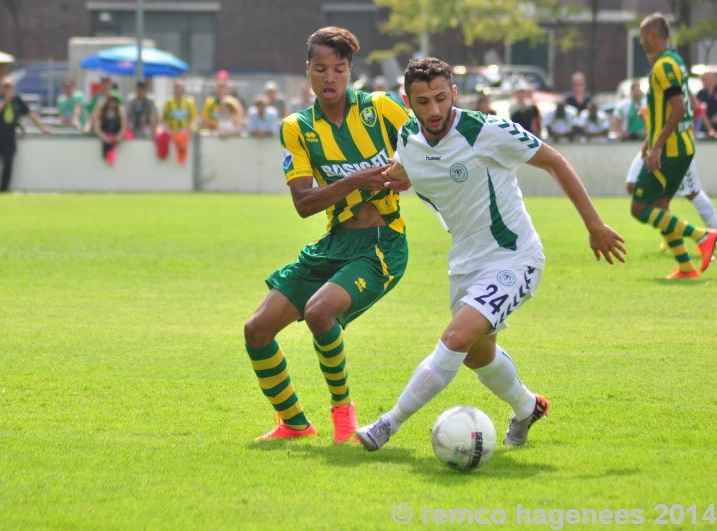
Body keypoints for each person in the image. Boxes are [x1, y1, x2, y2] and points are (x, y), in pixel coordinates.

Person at [355, 57, 626, 452]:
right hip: (465, 263)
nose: (434, 110)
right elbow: (408, 170)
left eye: (441, 99)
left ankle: (387, 424)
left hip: (515, 258)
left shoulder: (486, 131)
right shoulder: (408, 138)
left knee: (456, 338)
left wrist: (594, 225)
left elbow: (555, 161)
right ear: (407, 101)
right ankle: (527, 407)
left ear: (454, 94)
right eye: (423, 101)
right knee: (477, 357)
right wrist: (390, 180)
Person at [243, 26, 411, 443]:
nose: (330, 77)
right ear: (308, 72)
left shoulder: (381, 108)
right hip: (334, 242)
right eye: (321, 69)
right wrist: (356, 180)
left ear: (350, 71)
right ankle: (294, 423)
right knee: (257, 330)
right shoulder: (297, 127)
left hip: (381, 245)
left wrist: (411, 175)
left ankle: (343, 414)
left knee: (320, 313)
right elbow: (303, 204)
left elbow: (428, 153)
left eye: (338, 69)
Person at [630, 13, 717, 279]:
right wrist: (649, 142)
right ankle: (686, 267)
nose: (642, 41)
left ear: (653, 35)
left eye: (643, 36)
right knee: (661, 204)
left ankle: (703, 236)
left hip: (670, 149)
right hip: (678, 146)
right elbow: (667, 109)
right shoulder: (675, 61)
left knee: (640, 208)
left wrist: (656, 147)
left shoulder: (663, 67)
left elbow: (678, 108)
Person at [626, 154, 717, 238]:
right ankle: (675, 237)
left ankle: (705, 236)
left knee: (693, 195)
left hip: (676, 152)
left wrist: (657, 145)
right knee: (632, 186)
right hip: (654, 148)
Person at [0, 76, 50, 192]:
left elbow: (30, 114)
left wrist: (42, 128)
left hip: (9, 137)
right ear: (1, 88)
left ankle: (3, 189)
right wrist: (5, 100)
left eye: (10, 87)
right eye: (5, 87)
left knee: (8, 163)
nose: (7, 90)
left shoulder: (17, 100)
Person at [160, 78, 198, 164]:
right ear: (174, 89)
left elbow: (194, 119)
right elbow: (164, 119)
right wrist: (170, 131)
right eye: (178, 88)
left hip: (186, 137)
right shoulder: (168, 102)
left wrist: (187, 131)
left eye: (182, 89)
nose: (181, 91)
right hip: (172, 137)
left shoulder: (189, 102)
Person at [93, 94, 127, 166]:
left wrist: (118, 137)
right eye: (111, 101)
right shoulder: (102, 111)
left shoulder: (120, 112)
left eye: (115, 101)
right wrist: (106, 138)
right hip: (105, 137)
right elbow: (97, 128)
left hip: (116, 137)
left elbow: (124, 127)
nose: (113, 103)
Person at [696, 69, 716, 138]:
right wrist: (710, 129)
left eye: (709, 79)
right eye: (704, 79)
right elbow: (701, 112)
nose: (707, 81)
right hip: (706, 127)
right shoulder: (700, 94)